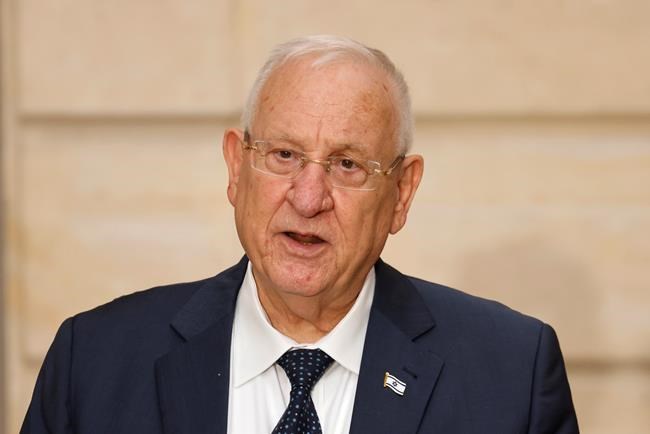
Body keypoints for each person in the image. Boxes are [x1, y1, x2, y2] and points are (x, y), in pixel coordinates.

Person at [21, 35, 579, 434]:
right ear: (236, 168)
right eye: (284, 155)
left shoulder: (511, 376)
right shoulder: (94, 361)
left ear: (402, 194)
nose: (309, 198)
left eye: (348, 164)